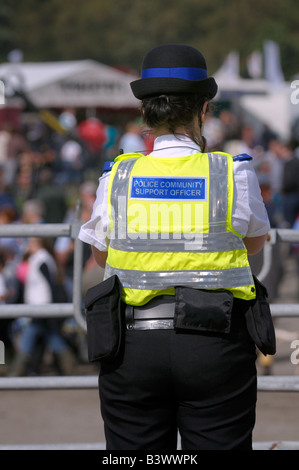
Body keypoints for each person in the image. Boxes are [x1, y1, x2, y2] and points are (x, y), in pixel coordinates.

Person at [79, 44, 270, 451]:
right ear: (203, 110)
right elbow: (255, 243)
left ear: (144, 113)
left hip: (131, 347)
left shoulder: (117, 176)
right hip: (215, 345)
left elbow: (101, 255)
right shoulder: (232, 172)